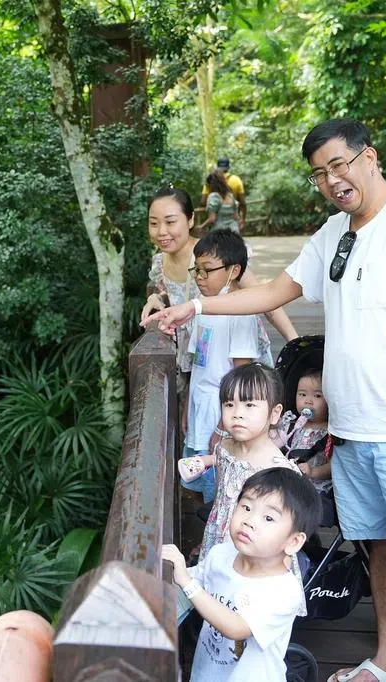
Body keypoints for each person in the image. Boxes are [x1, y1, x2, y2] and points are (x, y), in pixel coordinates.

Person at [143, 118, 386, 682]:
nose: (331, 180)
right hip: (349, 432)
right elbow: (276, 291)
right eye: (319, 174)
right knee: (378, 552)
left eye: (338, 165)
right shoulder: (334, 234)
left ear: (369, 157)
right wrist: (195, 307)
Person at [163, 467, 320, 682]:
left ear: (293, 541)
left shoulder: (284, 591)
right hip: (207, 672)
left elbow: (237, 628)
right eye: (246, 507)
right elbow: (188, 582)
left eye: (268, 518)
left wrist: (187, 582)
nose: (249, 520)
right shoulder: (221, 554)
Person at [142, 186, 298, 370]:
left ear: (190, 219)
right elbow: (177, 293)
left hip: (236, 357)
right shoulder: (160, 262)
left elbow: (267, 300)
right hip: (198, 361)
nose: (161, 231)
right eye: (154, 223)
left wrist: (296, 346)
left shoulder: (214, 255)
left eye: (170, 222)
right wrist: (158, 297)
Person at [179, 363, 302, 566]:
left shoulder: (278, 471)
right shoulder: (225, 446)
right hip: (218, 535)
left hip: (253, 551)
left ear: (274, 413)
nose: (237, 413)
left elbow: (284, 528)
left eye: (249, 405)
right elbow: (221, 481)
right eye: (229, 404)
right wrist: (205, 461)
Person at [177, 231, 262, 502]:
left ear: (233, 271)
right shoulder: (203, 309)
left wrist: (223, 428)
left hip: (220, 416)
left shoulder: (241, 314)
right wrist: (186, 406)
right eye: (196, 270)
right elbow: (198, 365)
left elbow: (241, 376)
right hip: (199, 412)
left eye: (208, 270)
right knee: (196, 485)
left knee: (220, 494)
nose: (199, 277)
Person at [273, 368, 332, 492]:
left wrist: (313, 472)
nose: (308, 401)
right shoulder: (289, 425)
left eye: (317, 396)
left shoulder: (330, 433)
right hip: (286, 484)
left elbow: (333, 466)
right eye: (302, 394)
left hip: (314, 488)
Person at [202, 157, 247, 230]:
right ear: (228, 167)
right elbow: (243, 202)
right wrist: (243, 219)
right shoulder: (236, 180)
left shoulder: (211, 179)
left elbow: (203, 201)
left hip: (218, 227)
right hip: (233, 225)